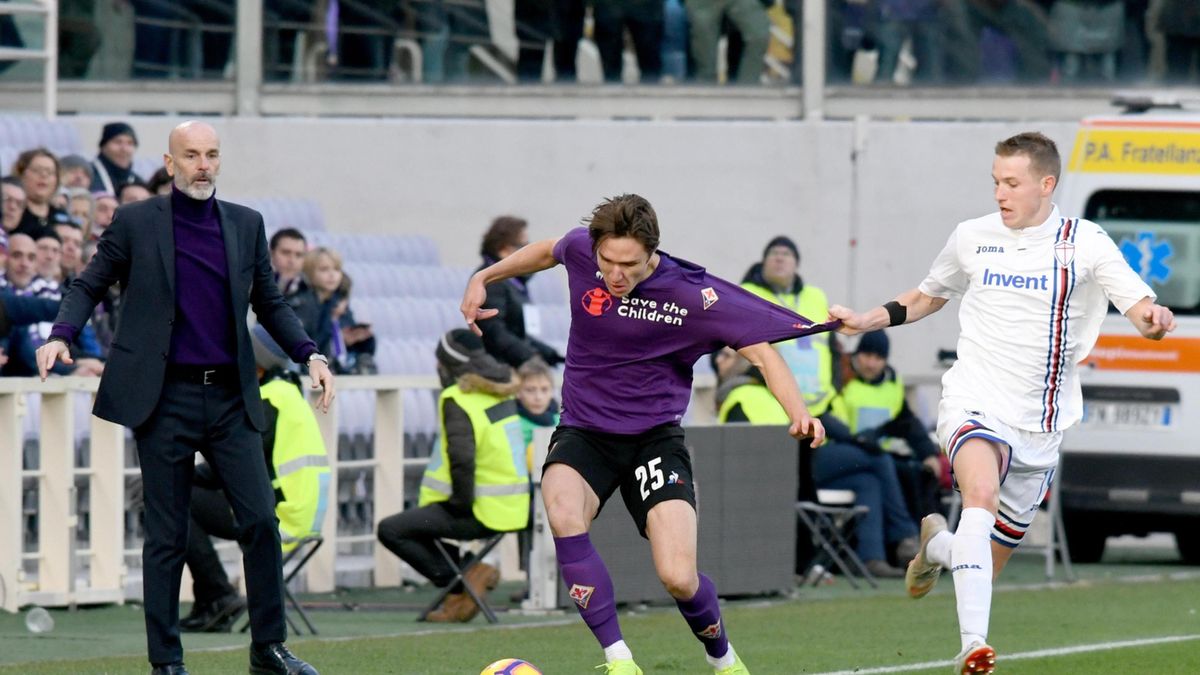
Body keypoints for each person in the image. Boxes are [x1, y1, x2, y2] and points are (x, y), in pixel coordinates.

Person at [829, 131, 1176, 674]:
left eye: (1012, 183)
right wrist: (863, 320)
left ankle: (936, 548)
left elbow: (1137, 304)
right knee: (980, 495)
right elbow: (926, 296)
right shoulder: (972, 237)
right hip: (975, 400)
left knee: (980, 568)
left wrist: (1153, 321)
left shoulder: (1085, 242)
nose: (1000, 193)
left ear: (1046, 184)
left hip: (1041, 425)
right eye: (995, 182)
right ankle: (973, 647)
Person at [460, 193, 835, 675]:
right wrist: (484, 277)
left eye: (629, 265)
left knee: (678, 577)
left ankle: (723, 660)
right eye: (607, 261)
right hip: (584, 431)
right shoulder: (581, 250)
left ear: (652, 253)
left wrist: (799, 412)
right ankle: (620, 662)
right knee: (561, 510)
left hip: (654, 439)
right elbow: (547, 249)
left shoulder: (692, 296)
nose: (616, 274)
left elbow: (763, 354)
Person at [36, 120, 332, 675]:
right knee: (166, 537)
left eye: (212, 155)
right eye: (191, 155)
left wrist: (310, 353)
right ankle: (166, 663)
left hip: (230, 399)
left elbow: (269, 301)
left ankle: (269, 651)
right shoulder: (134, 222)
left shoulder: (246, 224)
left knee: (262, 521)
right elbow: (88, 284)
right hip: (162, 399)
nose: (203, 165)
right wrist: (60, 335)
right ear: (170, 164)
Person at [181, 324, 330, 633]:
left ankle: (218, 596)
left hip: (279, 516)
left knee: (173, 498)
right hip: (298, 513)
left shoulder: (264, 400)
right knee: (183, 492)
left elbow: (232, 467)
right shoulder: (286, 392)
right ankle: (213, 597)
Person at [377, 329, 528, 622]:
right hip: (512, 509)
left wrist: (458, 504)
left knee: (391, 530)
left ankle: (463, 580)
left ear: (447, 365)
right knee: (417, 525)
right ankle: (465, 578)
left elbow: (462, 460)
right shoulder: (500, 391)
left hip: (477, 510)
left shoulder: (458, 398)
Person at [831, 330, 946, 527]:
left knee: (920, 474)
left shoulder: (892, 385)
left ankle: (927, 535)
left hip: (884, 456)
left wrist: (928, 453)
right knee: (903, 476)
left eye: (878, 358)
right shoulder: (842, 382)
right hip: (854, 456)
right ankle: (908, 534)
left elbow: (907, 423)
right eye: (867, 355)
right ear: (857, 354)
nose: (871, 363)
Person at [740, 235, 837, 419]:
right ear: (763, 262)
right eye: (773, 253)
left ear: (796, 263)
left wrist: (835, 386)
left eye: (786, 253)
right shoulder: (748, 294)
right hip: (771, 403)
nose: (779, 257)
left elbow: (832, 348)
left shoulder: (816, 296)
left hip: (820, 405)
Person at [474, 216, 564, 369]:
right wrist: (529, 356)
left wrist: (550, 354)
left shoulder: (514, 283)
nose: (529, 251)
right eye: (523, 246)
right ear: (503, 250)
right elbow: (494, 331)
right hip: (499, 370)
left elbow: (519, 332)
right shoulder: (492, 282)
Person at [13, 148, 73, 237]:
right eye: (37, 170)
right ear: (21, 174)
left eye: (50, 172)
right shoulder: (12, 211)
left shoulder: (62, 215)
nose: (44, 175)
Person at [90, 121, 141, 195]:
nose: (124, 149)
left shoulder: (137, 182)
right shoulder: (88, 175)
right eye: (117, 142)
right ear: (103, 146)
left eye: (130, 143)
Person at [269, 227, 308, 297]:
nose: (292, 260)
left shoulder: (315, 294)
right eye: (286, 253)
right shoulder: (251, 286)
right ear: (272, 254)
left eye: (298, 255)